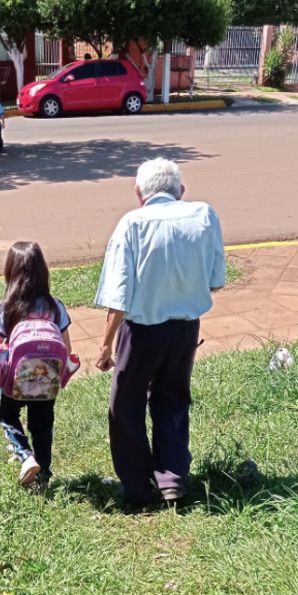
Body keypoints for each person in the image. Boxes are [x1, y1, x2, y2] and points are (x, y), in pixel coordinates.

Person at [95, 157, 226, 505]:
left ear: (139, 193)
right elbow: (215, 281)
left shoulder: (132, 224)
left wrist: (106, 345)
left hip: (141, 332)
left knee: (126, 404)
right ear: (180, 191)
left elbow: (118, 296)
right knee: (172, 399)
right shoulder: (204, 215)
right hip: (185, 330)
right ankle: (171, 477)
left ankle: (137, 487)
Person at [0, 241, 75, 487]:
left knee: (6, 416)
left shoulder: (7, 308)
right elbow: (67, 349)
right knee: (42, 426)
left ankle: (25, 455)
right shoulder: (55, 306)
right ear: (43, 270)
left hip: (15, 379)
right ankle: (44, 478)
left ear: (10, 271)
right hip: (47, 378)